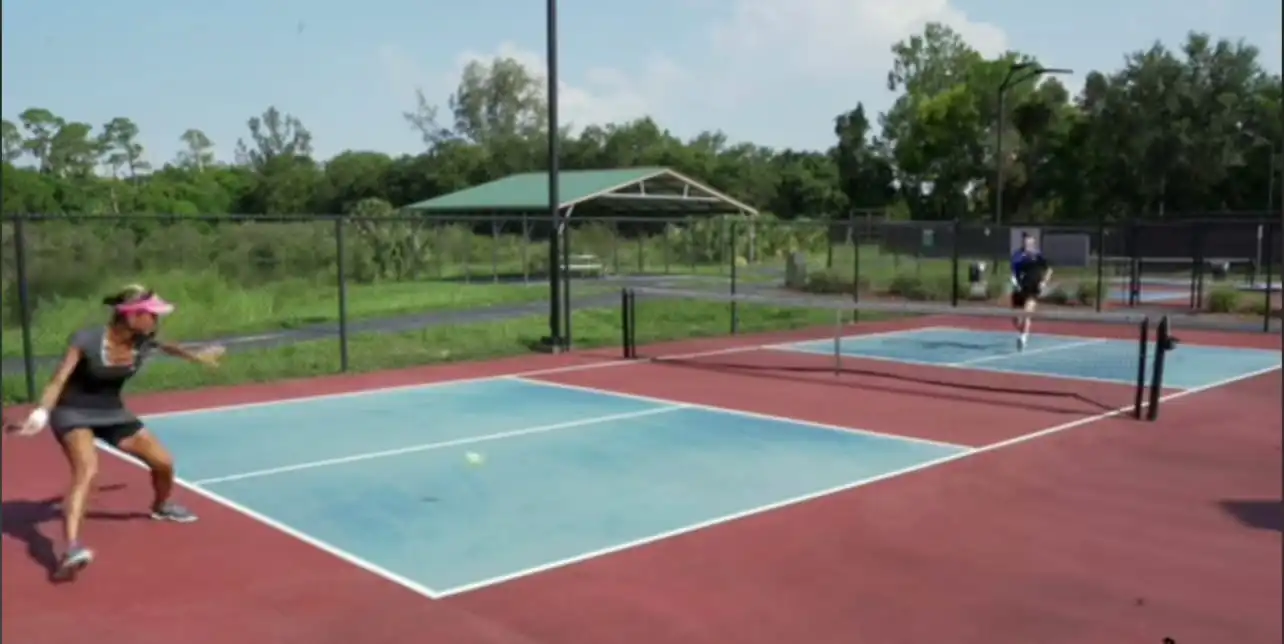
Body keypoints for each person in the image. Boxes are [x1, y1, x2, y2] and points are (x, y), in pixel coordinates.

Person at [12, 284, 224, 579]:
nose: (156, 321)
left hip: (113, 412)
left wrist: (196, 357)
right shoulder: (86, 340)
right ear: (133, 316)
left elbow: (167, 345)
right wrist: (41, 412)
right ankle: (71, 548)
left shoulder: (144, 339)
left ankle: (161, 505)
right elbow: (59, 380)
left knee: (164, 462)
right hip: (72, 412)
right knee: (87, 472)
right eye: (152, 315)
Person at [1009, 234, 1052, 351]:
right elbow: (1013, 272)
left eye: (1031, 243)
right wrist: (1014, 282)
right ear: (1023, 243)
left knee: (1027, 313)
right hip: (1020, 289)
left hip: (1033, 289)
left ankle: (1023, 338)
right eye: (1026, 243)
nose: (1029, 245)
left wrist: (1044, 282)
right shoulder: (1017, 256)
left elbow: (1049, 269)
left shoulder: (1038, 256)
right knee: (1016, 319)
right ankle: (1021, 329)